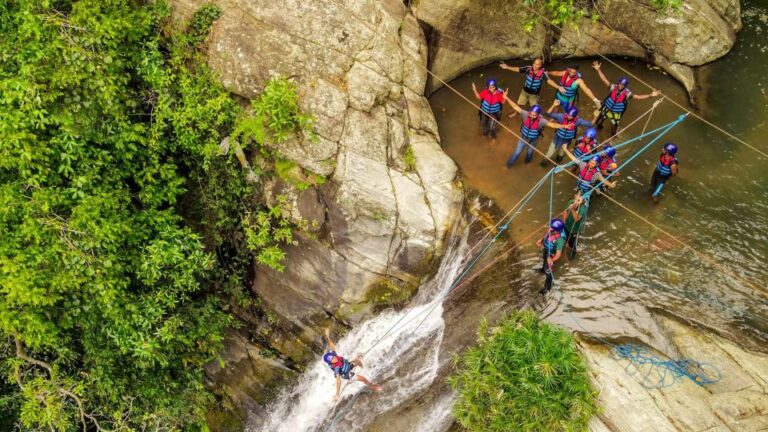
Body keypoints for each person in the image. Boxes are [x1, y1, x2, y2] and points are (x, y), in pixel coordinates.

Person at [592, 61, 661, 136]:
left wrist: (650, 95)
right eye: (620, 84)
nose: (620, 86)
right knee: (598, 123)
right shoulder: (613, 87)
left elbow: (638, 97)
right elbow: (604, 80)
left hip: (616, 112)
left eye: (623, 85)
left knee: (613, 130)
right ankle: (598, 131)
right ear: (618, 83)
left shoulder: (627, 93)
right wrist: (598, 70)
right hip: (607, 108)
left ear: (625, 86)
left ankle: (612, 136)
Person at [323, 328, 383, 400]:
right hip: (347, 373)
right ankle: (371, 386)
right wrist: (337, 394)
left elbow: (332, 346)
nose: (334, 359)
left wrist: (327, 337)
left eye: (333, 357)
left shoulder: (334, 356)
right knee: (363, 379)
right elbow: (338, 381)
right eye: (332, 360)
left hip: (347, 365)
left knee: (358, 357)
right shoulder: (336, 368)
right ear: (330, 362)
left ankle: (363, 368)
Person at [504, 101, 565, 167]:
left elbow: (552, 125)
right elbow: (515, 106)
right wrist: (506, 98)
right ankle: (508, 165)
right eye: (531, 114)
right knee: (516, 153)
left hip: (533, 140)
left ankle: (527, 162)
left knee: (530, 152)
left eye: (534, 115)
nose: (532, 116)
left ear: (538, 115)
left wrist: (564, 126)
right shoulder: (525, 114)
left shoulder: (541, 121)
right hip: (523, 138)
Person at [472, 79, 508, 144]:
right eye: (490, 87)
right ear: (488, 87)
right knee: (483, 125)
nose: (492, 88)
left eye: (493, 87)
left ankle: (494, 137)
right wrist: (474, 90)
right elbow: (479, 97)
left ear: (495, 87)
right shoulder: (485, 92)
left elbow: (503, 102)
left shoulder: (498, 94)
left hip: (494, 113)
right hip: (484, 112)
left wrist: (505, 96)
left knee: (492, 128)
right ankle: (485, 134)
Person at [536, 218, 566, 294]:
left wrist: (552, 260)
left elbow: (558, 254)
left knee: (548, 271)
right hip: (546, 248)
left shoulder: (560, 240)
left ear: (556, 230)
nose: (550, 227)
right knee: (544, 259)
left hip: (552, 254)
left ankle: (547, 288)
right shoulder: (552, 229)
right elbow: (547, 234)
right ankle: (542, 270)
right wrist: (541, 240)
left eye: (551, 227)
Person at [562, 192, 589, 259]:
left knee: (572, 245)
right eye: (575, 199)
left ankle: (572, 256)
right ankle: (566, 244)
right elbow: (565, 211)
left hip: (574, 230)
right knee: (565, 238)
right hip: (566, 225)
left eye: (578, 200)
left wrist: (573, 209)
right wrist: (564, 221)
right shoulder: (570, 202)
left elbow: (577, 219)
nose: (576, 202)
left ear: (582, 201)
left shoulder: (583, 208)